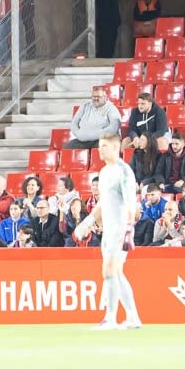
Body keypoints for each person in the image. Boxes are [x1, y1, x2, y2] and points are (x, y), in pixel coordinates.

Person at [78, 133, 142, 329]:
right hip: (109, 229)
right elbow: (103, 203)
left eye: (104, 146)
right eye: (100, 145)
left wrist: (129, 228)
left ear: (116, 148)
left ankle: (110, 318)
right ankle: (132, 317)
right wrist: (87, 222)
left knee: (109, 271)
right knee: (116, 273)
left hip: (120, 228)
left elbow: (132, 203)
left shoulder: (124, 172)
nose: (100, 149)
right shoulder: (105, 172)